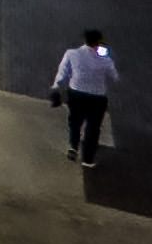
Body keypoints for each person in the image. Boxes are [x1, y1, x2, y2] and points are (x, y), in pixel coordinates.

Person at [48, 27, 119, 165]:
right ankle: (88, 159)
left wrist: (56, 86)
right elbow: (114, 76)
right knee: (93, 128)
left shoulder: (71, 53)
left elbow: (62, 72)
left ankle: (73, 147)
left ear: (85, 40)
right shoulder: (105, 59)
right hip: (97, 97)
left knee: (75, 122)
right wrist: (106, 57)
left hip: (76, 94)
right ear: (99, 42)